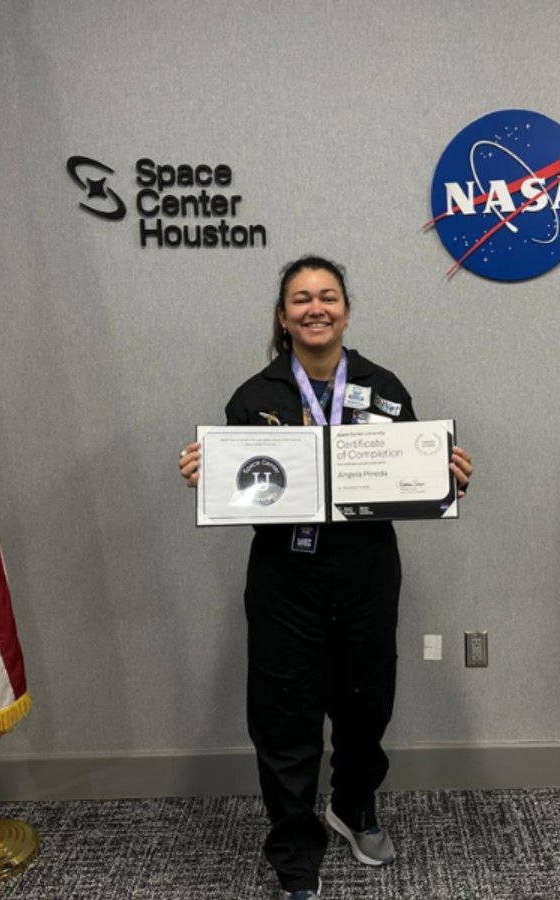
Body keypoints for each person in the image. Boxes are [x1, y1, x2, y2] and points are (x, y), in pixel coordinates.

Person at [178, 256, 473, 900]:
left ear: (346, 311)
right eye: (302, 298)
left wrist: (445, 479)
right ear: (283, 317)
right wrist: (209, 476)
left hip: (367, 573)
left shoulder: (384, 388)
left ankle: (353, 805)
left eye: (328, 296)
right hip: (286, 578)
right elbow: (240, 490)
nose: (316, 308)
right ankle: (294, 848)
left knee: (368, 702)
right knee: (285, 715)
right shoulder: (254, 398)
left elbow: (411, 479)